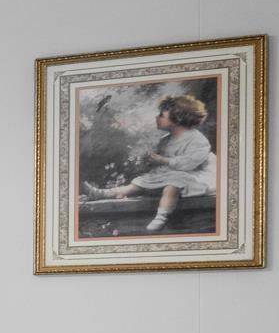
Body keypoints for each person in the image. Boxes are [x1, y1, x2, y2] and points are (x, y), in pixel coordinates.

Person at [84, 94, 215, 231]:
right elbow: (161, 161)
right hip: (172, 174)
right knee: (139, 183)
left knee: (172, 185)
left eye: (161, 115)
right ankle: (103, 193)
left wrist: (164, 160)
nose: (156, 117)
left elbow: (190, 162)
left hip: (195, 177)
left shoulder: (197, 139)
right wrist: (151, 161)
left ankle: (162, 216)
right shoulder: (166, 139)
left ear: (178, 119)